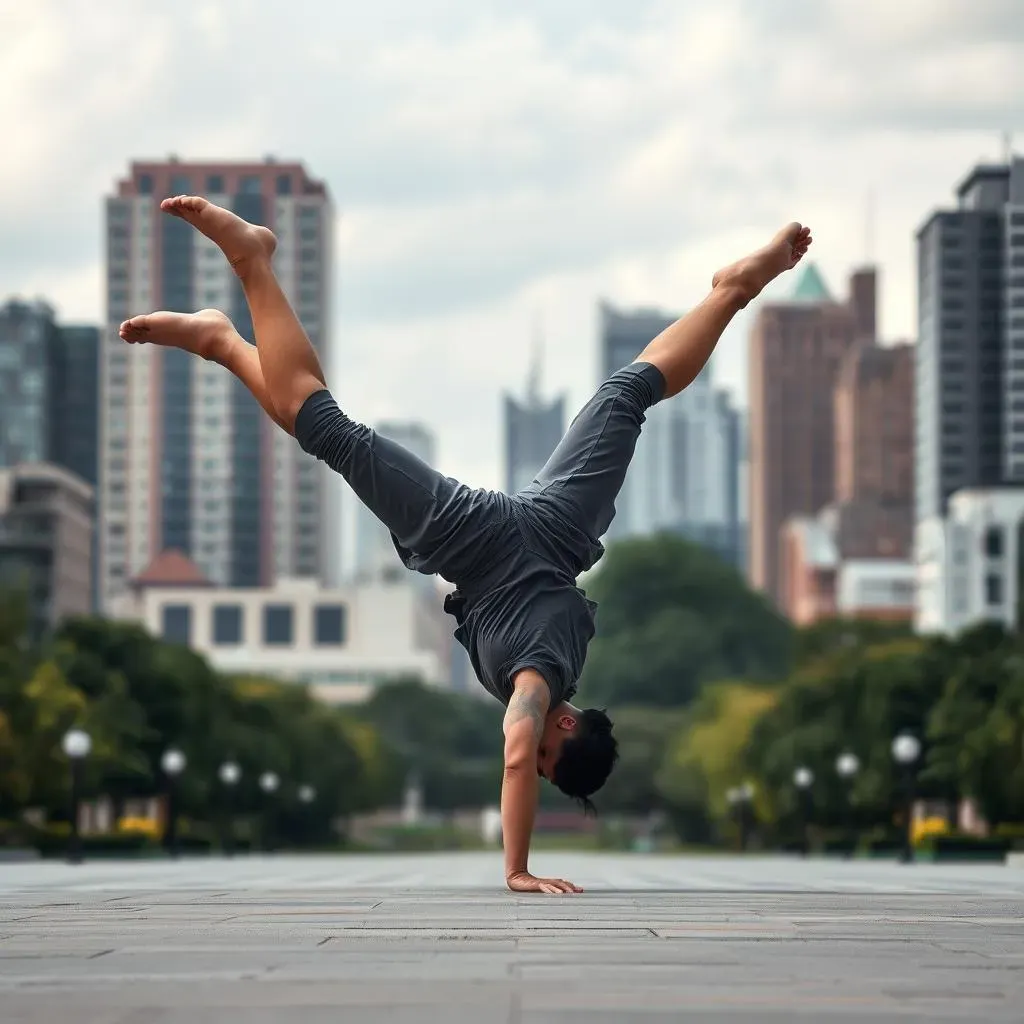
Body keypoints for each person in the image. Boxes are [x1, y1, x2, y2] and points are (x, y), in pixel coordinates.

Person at [120, 197, 812, 894]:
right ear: (565, 724)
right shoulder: (541, 675)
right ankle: (253, 261)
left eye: (537, 760)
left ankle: (224, 342)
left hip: (558, 528)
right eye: (547, 751)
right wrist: (516, 869)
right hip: (480, 539)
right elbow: (514, 751)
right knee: (327, 427)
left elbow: (522, 744)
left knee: (621, 392)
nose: (530, 747)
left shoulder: (550, 671)